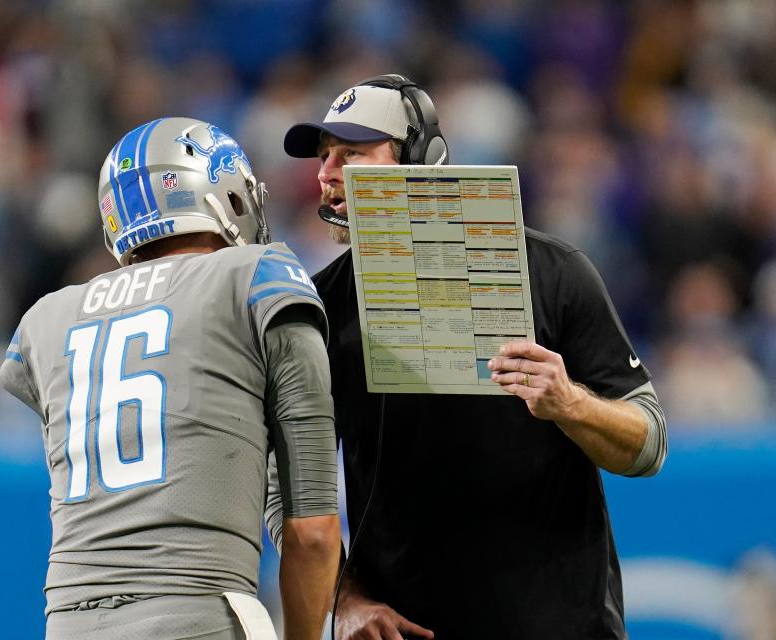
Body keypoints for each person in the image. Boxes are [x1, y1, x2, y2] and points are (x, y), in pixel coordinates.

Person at [273, 75, 668, 638]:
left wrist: (570, 403)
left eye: (352, 153)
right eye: (323, 157)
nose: (325, 175)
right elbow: (279, 480)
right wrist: (345, 596)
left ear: (419, 158)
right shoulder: (322, 305)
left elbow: (648, 444)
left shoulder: (553, 273)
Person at [0, 117, 341, 640]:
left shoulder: (46, 318)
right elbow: (312, 532)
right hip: (197, 614)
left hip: (67, 623)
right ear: (222, 193)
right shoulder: (256, 274)